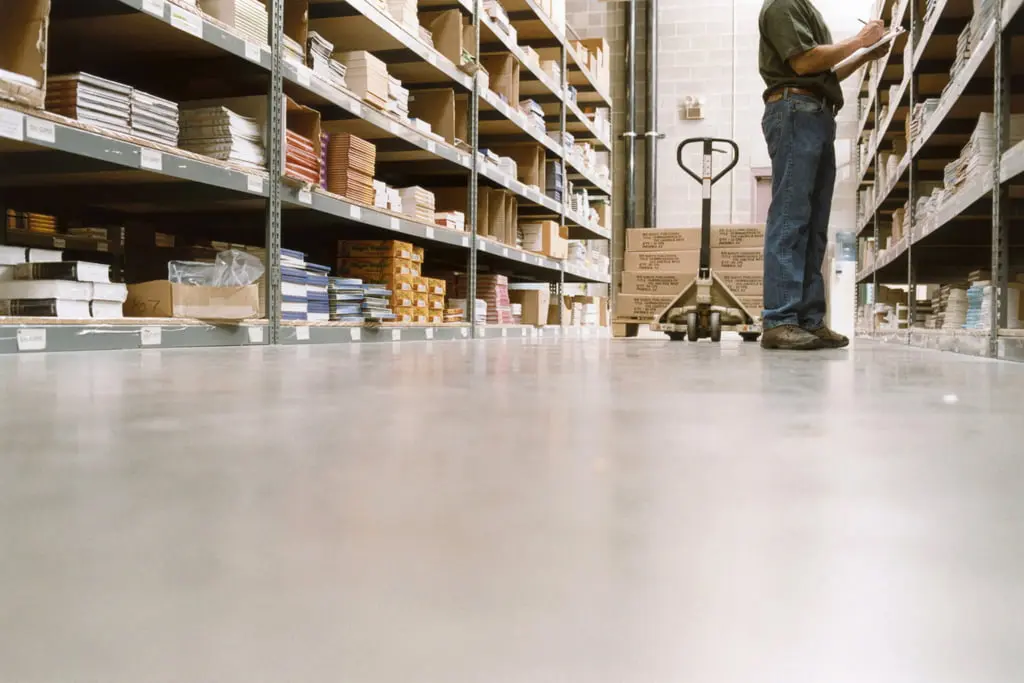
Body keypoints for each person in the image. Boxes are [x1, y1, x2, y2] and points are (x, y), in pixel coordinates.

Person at [757, 1, 888, 350]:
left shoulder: (803, 8)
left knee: (814, 224)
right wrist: (860, 39)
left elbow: (822, 74)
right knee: (790, 218)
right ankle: (780, 319)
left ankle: (809, 320)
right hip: (795, 110)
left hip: (814, 112)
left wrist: (864, 56)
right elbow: (805, 62)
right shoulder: (783, 5)